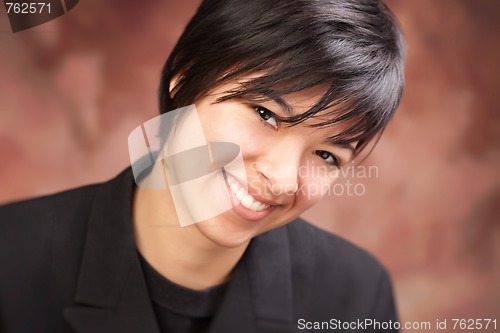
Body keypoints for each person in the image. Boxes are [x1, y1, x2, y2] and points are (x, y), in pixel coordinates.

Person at [0, 0, 405, 332]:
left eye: (327, 155)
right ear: (187, 71)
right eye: (265, 114)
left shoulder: (356, 296)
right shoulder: (11, 256)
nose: (282, 179)